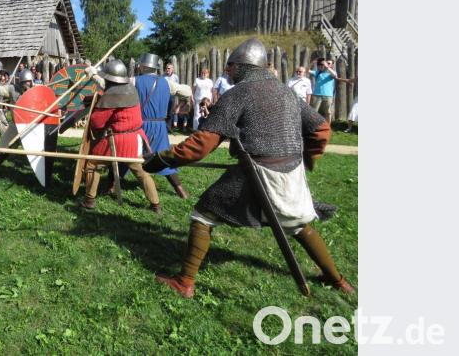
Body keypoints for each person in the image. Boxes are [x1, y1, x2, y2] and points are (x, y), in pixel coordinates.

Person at [143, 38, 353, 298]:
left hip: (256, 174)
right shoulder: (286, 92)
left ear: (243, 66)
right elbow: (321, 130)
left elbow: (201, 144)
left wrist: (163, 159)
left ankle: (184, 281)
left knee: (203, 215)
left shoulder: (238, 94)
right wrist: (307, 160)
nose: (227, 70)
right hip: (291, 174)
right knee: (298, 224)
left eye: (230, 66)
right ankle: (338, 281)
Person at [80, 60, 161, 212]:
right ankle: (155, 204)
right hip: (135, 139)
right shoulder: (131, 89)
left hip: (116, 140)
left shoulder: (111, 96)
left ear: (110, 78)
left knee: (92, 165)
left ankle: (89, 200)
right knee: (141, 171)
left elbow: (97, 122)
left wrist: (96, 106)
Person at [122, 53, 192, 199]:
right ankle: (181, 191)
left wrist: (94, 75)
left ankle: (110, 185)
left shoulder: (134, 80)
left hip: (139, 126)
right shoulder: (167, 83)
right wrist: (179, 103)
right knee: (163, 158)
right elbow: (187, 92)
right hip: (159, 127)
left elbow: (113, 86)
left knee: (128, 154)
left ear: (143, 66)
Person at [0, 69, 36, 179]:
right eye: (25, 82)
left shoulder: (36, 90)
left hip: (32, 126)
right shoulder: (12, 89)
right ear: (20, 82)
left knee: (37, 152)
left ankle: (41, 175)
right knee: (3, 148)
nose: (27, 84)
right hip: (16, 125)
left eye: (29, 82)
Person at [309, 57, 338, 123]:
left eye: (329, 63)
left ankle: (328, 126)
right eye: (326, 63)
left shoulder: (332, 73)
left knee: (328, 112)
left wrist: (327, 67)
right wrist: (312, 63)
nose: (326, 64)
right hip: (317, 94)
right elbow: (307, 70)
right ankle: (313, 125)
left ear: (332, 65)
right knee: (314, 111)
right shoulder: (318, 72)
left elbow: (335, 75)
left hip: (328, 95)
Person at [164, 63, 180, 130]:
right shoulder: (163, 77)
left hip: (172, 96)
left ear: (172, 69)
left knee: (170, 112)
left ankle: (168, 127)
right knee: (164, 112)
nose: (167, 69)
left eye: (169, 68)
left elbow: (177, 86)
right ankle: (163, 127)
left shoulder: (175, 77)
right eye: (166, 68)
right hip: (164, 96)